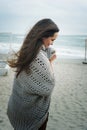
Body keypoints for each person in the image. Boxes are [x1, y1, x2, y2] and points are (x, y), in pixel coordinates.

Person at [7, 18, 59, 130]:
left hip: (17, 109)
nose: (52, 44)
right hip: (32, 116)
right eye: (52, 39)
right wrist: (50, 62)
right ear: (43, 35)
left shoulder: (27, 50)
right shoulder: (40, 59)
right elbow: (48, 87)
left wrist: (47, 55)